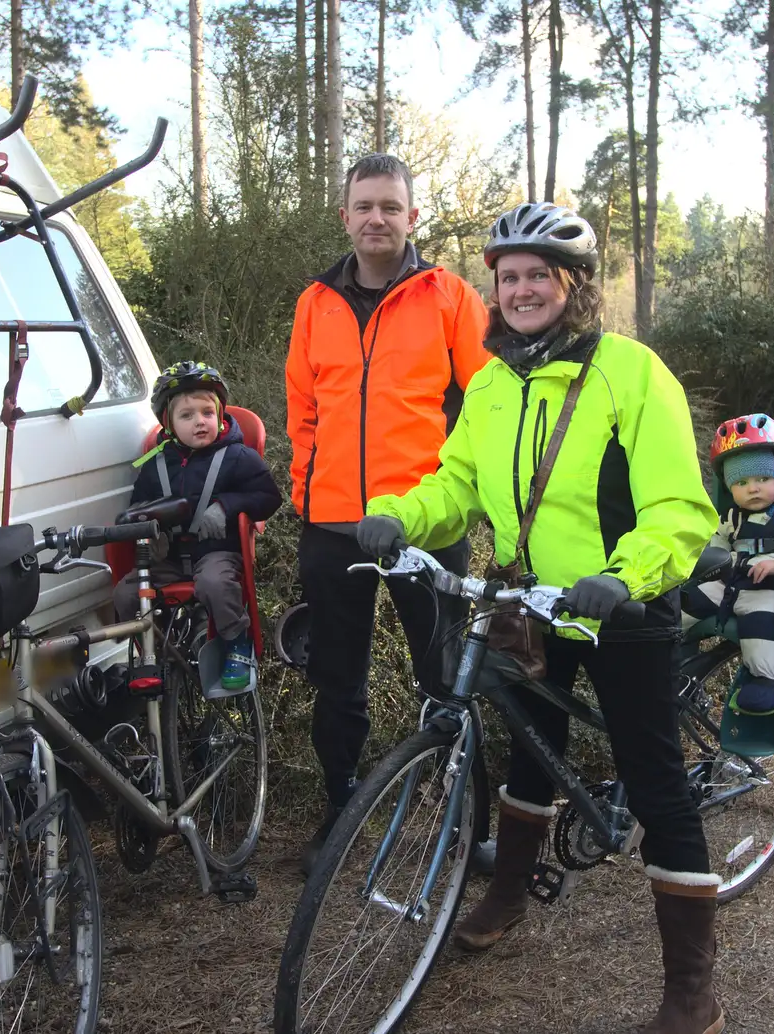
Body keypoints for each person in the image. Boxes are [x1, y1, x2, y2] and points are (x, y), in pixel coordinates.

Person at [357, 202, 726, 1034]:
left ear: (574, 285)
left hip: (619, 603)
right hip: (529, 599)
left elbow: (678, 506)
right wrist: (400, 517)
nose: (521, 290)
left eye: (538, 276)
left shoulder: (631, 372)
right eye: (509, 277)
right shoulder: (489, 383)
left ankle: (693, 990)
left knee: (657, 780)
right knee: (530, 749)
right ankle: (507, 895)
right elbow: (456, 487)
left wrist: (623, 576)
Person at [285, 153, 492, 872]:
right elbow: (302, 410)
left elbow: (490, 403)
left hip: (424, 525)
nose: (377, 218)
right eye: (364, 205)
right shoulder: (315, 303)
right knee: (336, 678)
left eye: (391, 207)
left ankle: (463, 815)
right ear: (345, 215)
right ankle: (340, 809)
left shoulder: (451, 298)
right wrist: (307, 490)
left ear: (412, 218)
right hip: (332, 524)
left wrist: (464, 491)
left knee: (443, 671)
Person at [116, 361, 281, 690]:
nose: (199, 422)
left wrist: (227, 506)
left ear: (219, 413)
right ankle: (160, 648)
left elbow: (268, 496)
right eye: (186, 416)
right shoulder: (155, 466)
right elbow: (138, 504)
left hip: (217, 552)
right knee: (125, 594)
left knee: (214, 584)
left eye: (207, 412)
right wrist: (148, 527)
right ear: (169, 423)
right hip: (170, 558)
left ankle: (237, 643)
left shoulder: (238, 456)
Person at [682, 414, 774, 716]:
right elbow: (716, 544)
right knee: (679, 607)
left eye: (762, 479)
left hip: (770, 589)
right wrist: (704, 565)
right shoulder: (732, 516)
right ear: (730, 487)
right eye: (741, 482)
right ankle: (667, 658)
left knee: (760, 625)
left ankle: (765, 681)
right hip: (727, 585)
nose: (753, 489)